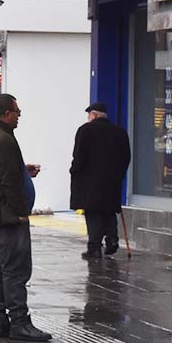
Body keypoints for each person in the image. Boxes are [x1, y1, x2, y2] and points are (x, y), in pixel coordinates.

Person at [0, 93, 51, 342]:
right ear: (6, 113)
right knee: (15, 271)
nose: (19, 116)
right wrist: (20, 213)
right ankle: (20, 322)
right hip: (6, 218)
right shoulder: (4, 139)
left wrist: (22, 171)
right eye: (17, 112)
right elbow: (8, 181)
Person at [69, 102, 131, 261]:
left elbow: (79, 156)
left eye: (89, 115)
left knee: (93, 213)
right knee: (109, 210)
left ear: (94, 115)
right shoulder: (120, 132)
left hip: (89, 182)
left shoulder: (85, 130)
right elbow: (126, 157)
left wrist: (74, 171)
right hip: (112, 181)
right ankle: (112, 240)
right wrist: (119, 175)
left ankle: (94, 248)